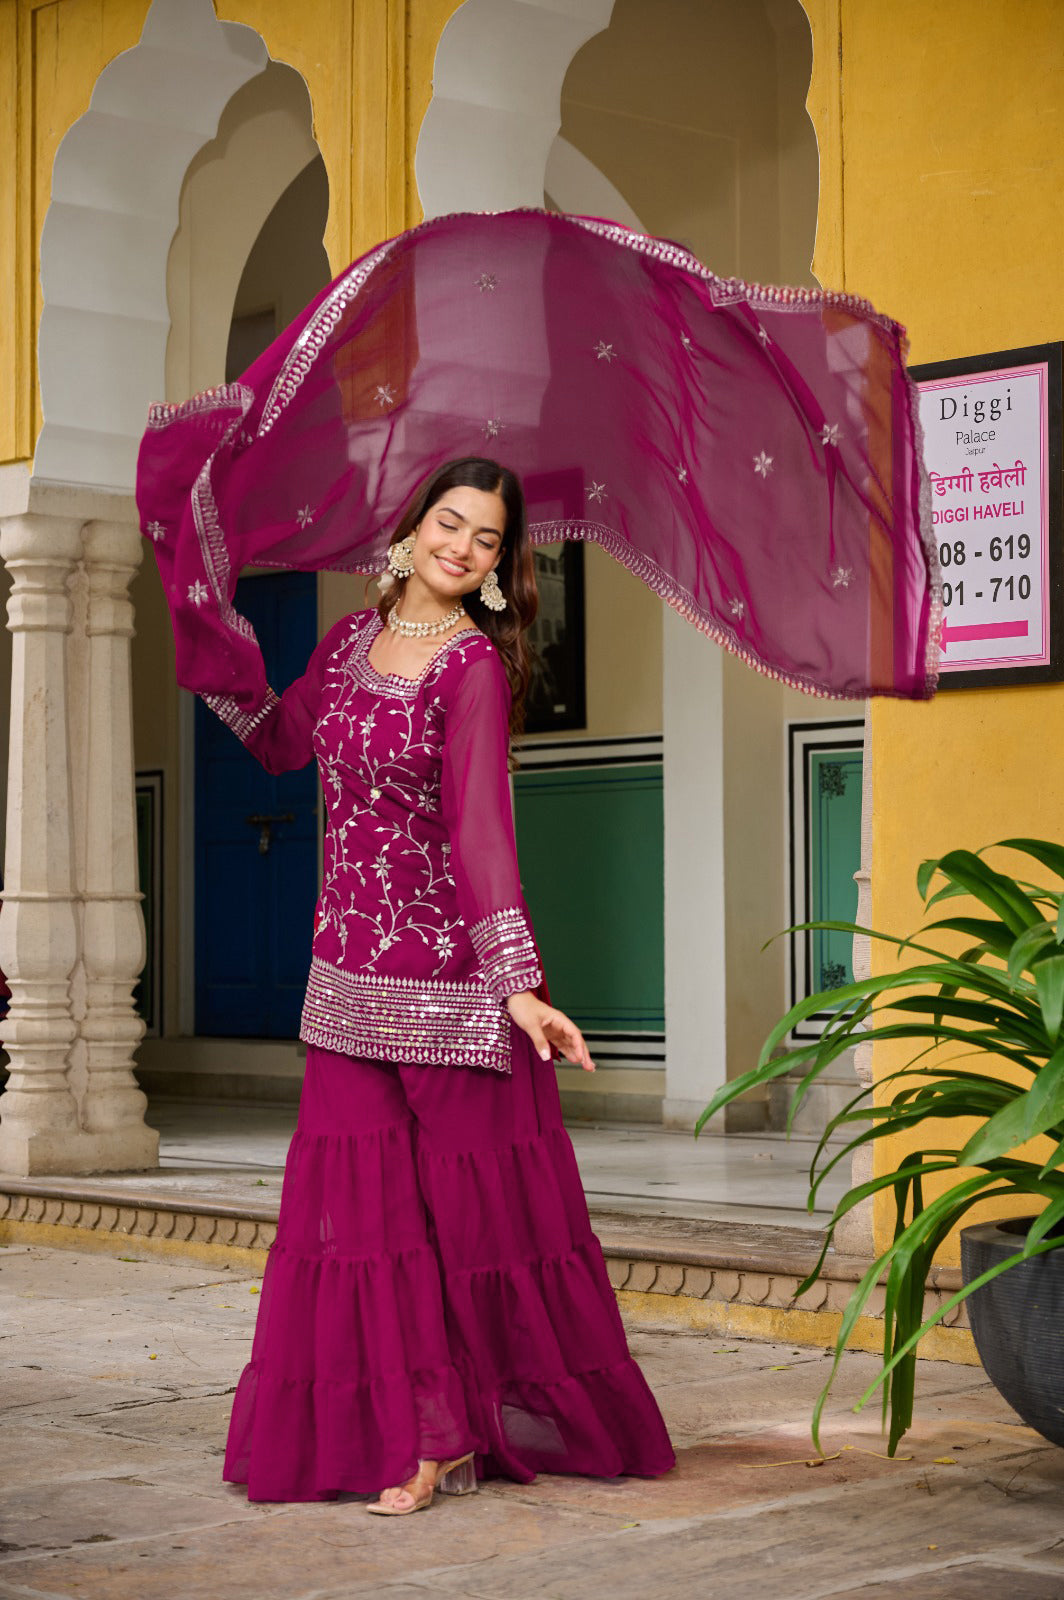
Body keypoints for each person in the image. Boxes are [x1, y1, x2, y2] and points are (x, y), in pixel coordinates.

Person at [213, 455, 676, 1510]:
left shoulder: (471, 669)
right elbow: (280, 743)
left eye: (485, 539)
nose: (461, 548)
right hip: (341, 986)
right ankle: (411, 1431)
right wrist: (216, 653)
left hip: (449, 987)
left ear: (501, 566)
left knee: (451, 1230)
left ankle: (436, 1442)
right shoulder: (342, 646)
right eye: (449, 523)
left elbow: (479, 835)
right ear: (412, 524)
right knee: (362, 1230)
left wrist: (517, 984)